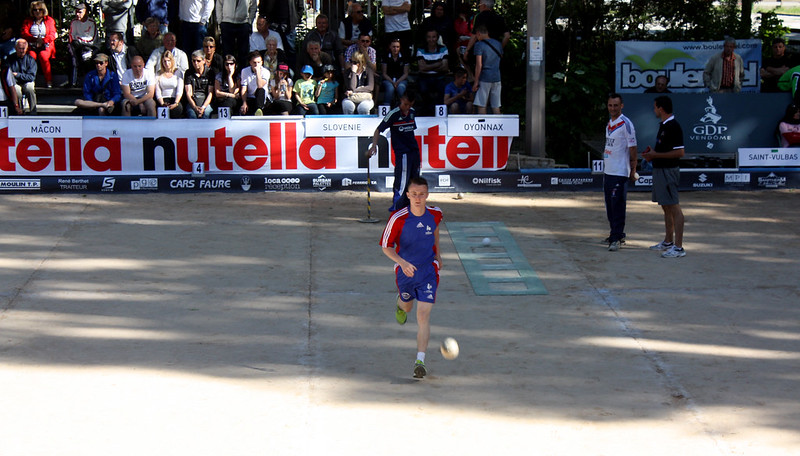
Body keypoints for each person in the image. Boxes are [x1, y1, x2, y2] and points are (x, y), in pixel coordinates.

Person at [378, 176, 443, 379]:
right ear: (408, 195)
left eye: (421, 194)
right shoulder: (398, 218)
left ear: (427, 195)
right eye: (414, 194)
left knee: (423, 315)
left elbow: (435, 231)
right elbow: (385, 246)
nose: (418, 198)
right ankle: (400, 303)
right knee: (407, 306)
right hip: (405, 271)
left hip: (428, 271)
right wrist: (403, 263)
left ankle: (420, 361)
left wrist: (439, 256)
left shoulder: (436, 214)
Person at [641, 96, 686, 258]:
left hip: (669, 171)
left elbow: (680, 152)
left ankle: (679, 247)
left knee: (674, 206)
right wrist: (652, 155)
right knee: (666, 205)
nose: (654, 110)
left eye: (655, 107)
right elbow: (664, 149)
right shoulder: (664, 126)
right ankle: (668, 241)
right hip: (660, 170)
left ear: (661, 108)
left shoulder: (674, 126)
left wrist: (656, 154)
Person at [368, 89, 419, 211]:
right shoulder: (393, 114)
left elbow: (411, 130)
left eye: (410, 105)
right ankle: (397, 207)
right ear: (401, 100)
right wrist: (374, 146)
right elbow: (378, 130)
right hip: (403, 153)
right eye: (405, 104)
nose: (407, 108)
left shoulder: (412, 112)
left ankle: (412, 207)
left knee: (414, 180)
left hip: (414, 151)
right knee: (401, 181)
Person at [602, 94, 638, 252]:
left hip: (620, 171)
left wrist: (633, 167)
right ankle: (615, 233)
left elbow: (633, 147)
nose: (613, 108)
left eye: (616, 105)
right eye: (610, 105)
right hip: (608, 170)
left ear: (621, 106)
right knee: (610, 205)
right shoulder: (609, 123)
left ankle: (616, 238)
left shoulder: (626, 124)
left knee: (617, 204)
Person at [20, 1, 57, 88]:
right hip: (32, 44)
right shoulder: (28, 21)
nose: (37, 12)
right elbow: (24, 33)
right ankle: (30, 80)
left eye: (39, 10)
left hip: (46, 45)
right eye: (35, 10)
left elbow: (52, 34)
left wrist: (43, 41)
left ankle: (49, 81)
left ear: (43, 10)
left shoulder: (49, 20)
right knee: (31, 57)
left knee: (43, 56)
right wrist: (35, 40)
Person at [416, 29, 449, 116]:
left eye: (434, 37)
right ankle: (427, 112)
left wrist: (428, 66)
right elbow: (421, 68)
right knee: (423, 89)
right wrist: (438, 64)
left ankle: (437, 112)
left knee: (441, 89)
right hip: (424, 77)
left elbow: (445, 67)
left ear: (437, 38)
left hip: (439, 77)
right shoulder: (421, 49)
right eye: (429, 37)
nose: (431, 39)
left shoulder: (443, 49)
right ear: (426, 38)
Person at [66, 3, 98, 88]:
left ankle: (88, 82)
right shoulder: (74, 22)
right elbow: (71, 36)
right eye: (76, 12)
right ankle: (72, 82)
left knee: (85, 58)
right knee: (72, 56)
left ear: (86, 12)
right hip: (76, 45)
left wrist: (79, 40)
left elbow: (91, 39)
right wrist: (78, 41)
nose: (77, 14)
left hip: (88, 46)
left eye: (80, 12)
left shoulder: (91, 23)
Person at [216, 0, 258, 66]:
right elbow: (219, 4)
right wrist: (220, 21)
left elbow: (253, 6)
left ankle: (242, 72)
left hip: (243, 23)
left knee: (243, 52)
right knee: (227, 52)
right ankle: (227, 73)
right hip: (227, 23)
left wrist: (249, 21)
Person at [472, 25, 502, 114]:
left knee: (482, 105)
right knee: (496, 106)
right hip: (497, 77)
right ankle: (499, 125)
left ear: (478, 34)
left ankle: (483, 126)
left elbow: (479, 64)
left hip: (485, 77)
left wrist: (476, 81)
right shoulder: (498, 44)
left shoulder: (479, 45)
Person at [7, 39, 37, 114]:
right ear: (15, 48)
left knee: (29, 88)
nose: (21, 51)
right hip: (15, 82)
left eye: (23, 48)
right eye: (19, 48)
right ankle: (20, 111)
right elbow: (9, 75)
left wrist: (17, 75)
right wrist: (17, 76)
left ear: (26, 49)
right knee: (16, 90)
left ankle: (33, 111)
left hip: (27, 82)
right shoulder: (9, 59)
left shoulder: (31, 60)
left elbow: (31, 77)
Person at [239, 50, 270, 115]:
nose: (256, 65)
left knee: (260, 90)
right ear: (250, 62)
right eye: (254, 62)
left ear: (262, 62)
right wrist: (244, 102)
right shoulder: (244, 71)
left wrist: (258, 72)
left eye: (259, 62)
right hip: (250, 97)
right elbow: (244, 88)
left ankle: (259, 110)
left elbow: (260, 85)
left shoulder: (266, 72)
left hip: (262, 98)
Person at [155, 50, 184, 118]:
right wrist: (162, 104)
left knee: (177, 109)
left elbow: (179, 90)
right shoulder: (158, 74)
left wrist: (176, 103)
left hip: (174, 99)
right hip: (162, 100)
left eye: (169, 61)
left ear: (172, 61)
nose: (167, 63)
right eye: (164, 61)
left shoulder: (178, 72)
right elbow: (157, 91)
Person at [380, 38, 408, 107]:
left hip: (401, 79)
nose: (395, 49)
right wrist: (393, 83)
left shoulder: (404, 57)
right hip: (388, 80)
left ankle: (404, 106)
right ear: (390, 47)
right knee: (390, 88)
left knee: (401, 88)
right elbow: (384, 73)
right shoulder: (385, 57)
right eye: (394, 47)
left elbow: (405, 73)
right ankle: (386, 106)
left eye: (397, 47)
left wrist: (397, 82)